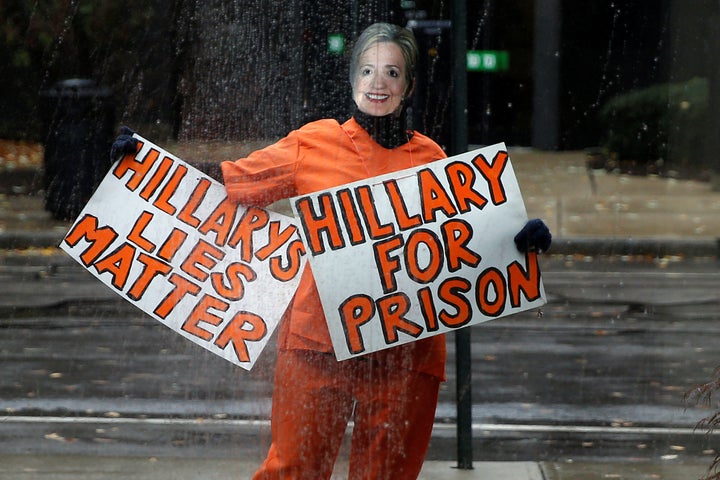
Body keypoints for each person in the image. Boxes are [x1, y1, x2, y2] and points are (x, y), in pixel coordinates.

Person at [112, 22, 551, 480]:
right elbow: (231, 183)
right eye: (366, 70)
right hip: (318, 341)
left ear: (410, 85)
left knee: (385, 474)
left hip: (405, 349)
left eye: (392, 73)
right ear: (352, 80)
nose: (377, 83)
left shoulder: (434, 160)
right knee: (293, 468)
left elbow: (466, 244)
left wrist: (517, 242)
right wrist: (147, 162)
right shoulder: (313, 143)